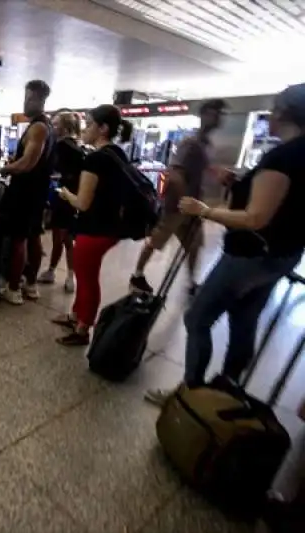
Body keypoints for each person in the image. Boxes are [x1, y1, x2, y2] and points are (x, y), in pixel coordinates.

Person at [145, 84, 305, 405]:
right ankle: (227, 388)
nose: (269, 117)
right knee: (244, 321)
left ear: (285, 113)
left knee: (198, 318)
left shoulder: (282, 157)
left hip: (249, 255)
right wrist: (241, 183)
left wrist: (204, 211)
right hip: (282, 256)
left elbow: (255, 217)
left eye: (273, 110)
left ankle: (190, 392)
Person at [51, 104, 133, 345]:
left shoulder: (95, 159)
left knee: (87, 279)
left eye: (89, 124)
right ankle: (76, 316)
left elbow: (83, 203)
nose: (84, 129)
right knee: (87, 274)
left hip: (94, 228)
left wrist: (66, 194)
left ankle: (83, 329)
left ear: (103, 128)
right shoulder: (118, 153)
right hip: (111, 227)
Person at [130, 99, 227, 296]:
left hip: (192, 206)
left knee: (195, 244)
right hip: (178, 206)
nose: (220, 118)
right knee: (157, 240)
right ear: (206, 114)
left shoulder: (204, 144)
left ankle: (192, 282)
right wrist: (185, 200)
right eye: (217, 113)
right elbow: (175, 173)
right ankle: (137, 274)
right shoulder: (190, 143)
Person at [0, 80, 55, 304]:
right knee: (33, 236)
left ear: (40, 100)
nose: (25, 102)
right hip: (37, 192)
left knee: (18, 239)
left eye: (29, 98)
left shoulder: (39, 128)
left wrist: (3, 169)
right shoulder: (46, 126)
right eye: (25, 97)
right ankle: (31, 285)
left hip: (25, 192)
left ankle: (13, 288)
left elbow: (28, 164)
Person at [38, 111, 85, 293]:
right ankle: (55, 271)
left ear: (65, 127)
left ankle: (68, 274)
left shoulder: (62, 147)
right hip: (67, 197)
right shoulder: (76, 148)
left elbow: (55, 171)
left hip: (65, 197)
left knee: (65, 238)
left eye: (56, 124)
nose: (53, 128)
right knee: (61, 237)